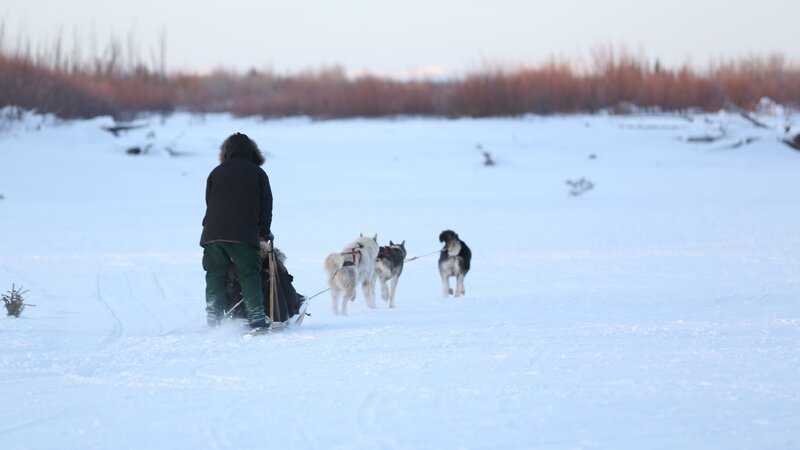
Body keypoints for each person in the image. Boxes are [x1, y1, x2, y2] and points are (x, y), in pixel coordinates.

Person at [200, 132, 273, 331]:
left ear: (228, 152)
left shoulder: (216, 172)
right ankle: (257, 319)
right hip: (243, 234)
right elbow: (266, 206)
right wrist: (264, 232)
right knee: (249, 274)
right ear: (251, 152)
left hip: (212, 234)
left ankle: (213, 321)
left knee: (215, 276)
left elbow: (209, 202)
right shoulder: (257, 173)